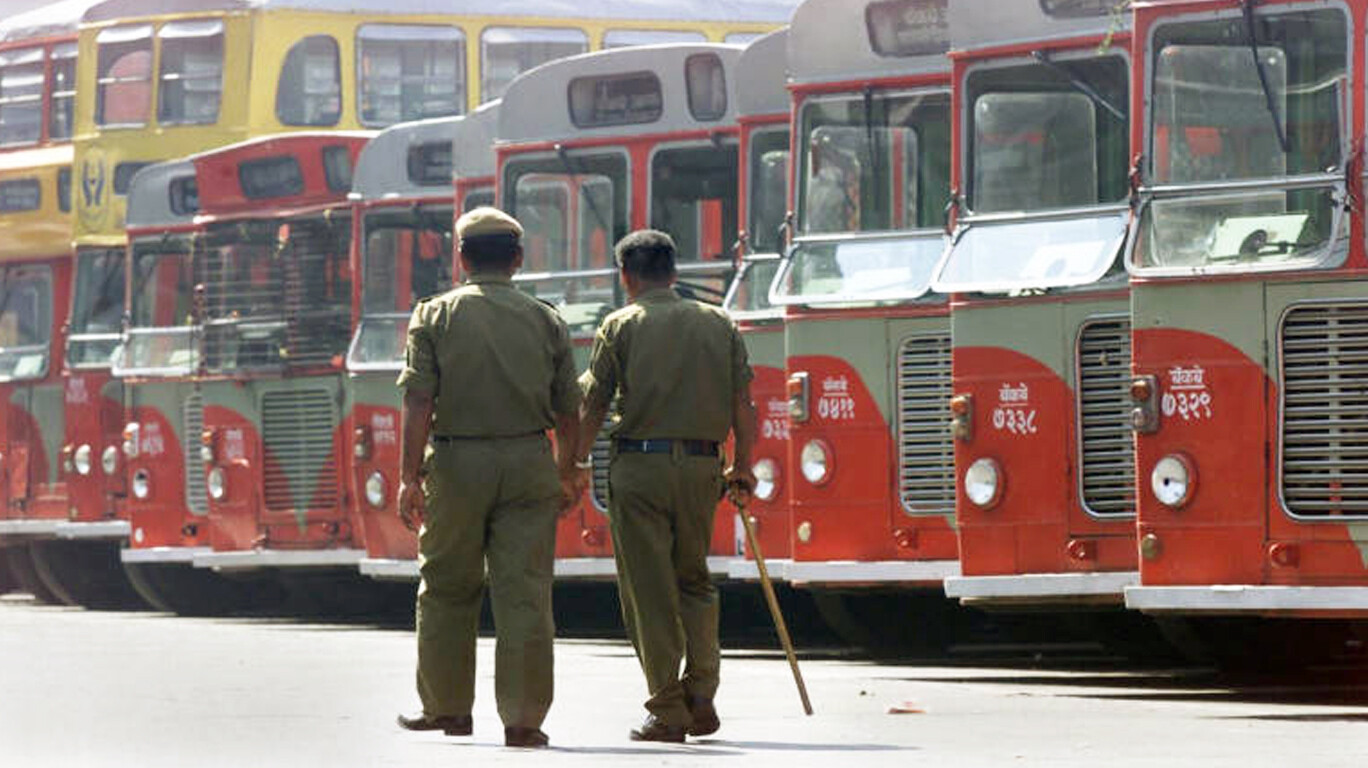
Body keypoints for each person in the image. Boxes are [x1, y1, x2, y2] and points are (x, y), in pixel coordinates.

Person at [394, 206, 583, 749]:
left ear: (460, 259)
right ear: (518, 259)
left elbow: (419, 399)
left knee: (448, 586)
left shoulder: (435, 316)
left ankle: (448, 707)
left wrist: (409, 477)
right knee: (525, 593)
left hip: (457, 463)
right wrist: (568, 470)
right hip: (529, 461)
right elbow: (568, 408)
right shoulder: (545, 318)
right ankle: (524, 720)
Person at [574, 229, 757, 742]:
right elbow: (745, 403)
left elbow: (593, 404)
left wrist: (571, 465)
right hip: (703, 467)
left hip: (641, 467)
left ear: (626, 277)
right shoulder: (718, 322)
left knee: (648, 590)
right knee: (695, 579)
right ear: (674, 273)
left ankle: (667, 709)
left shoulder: (620, 324)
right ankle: (702, 693)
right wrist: (743, 465)